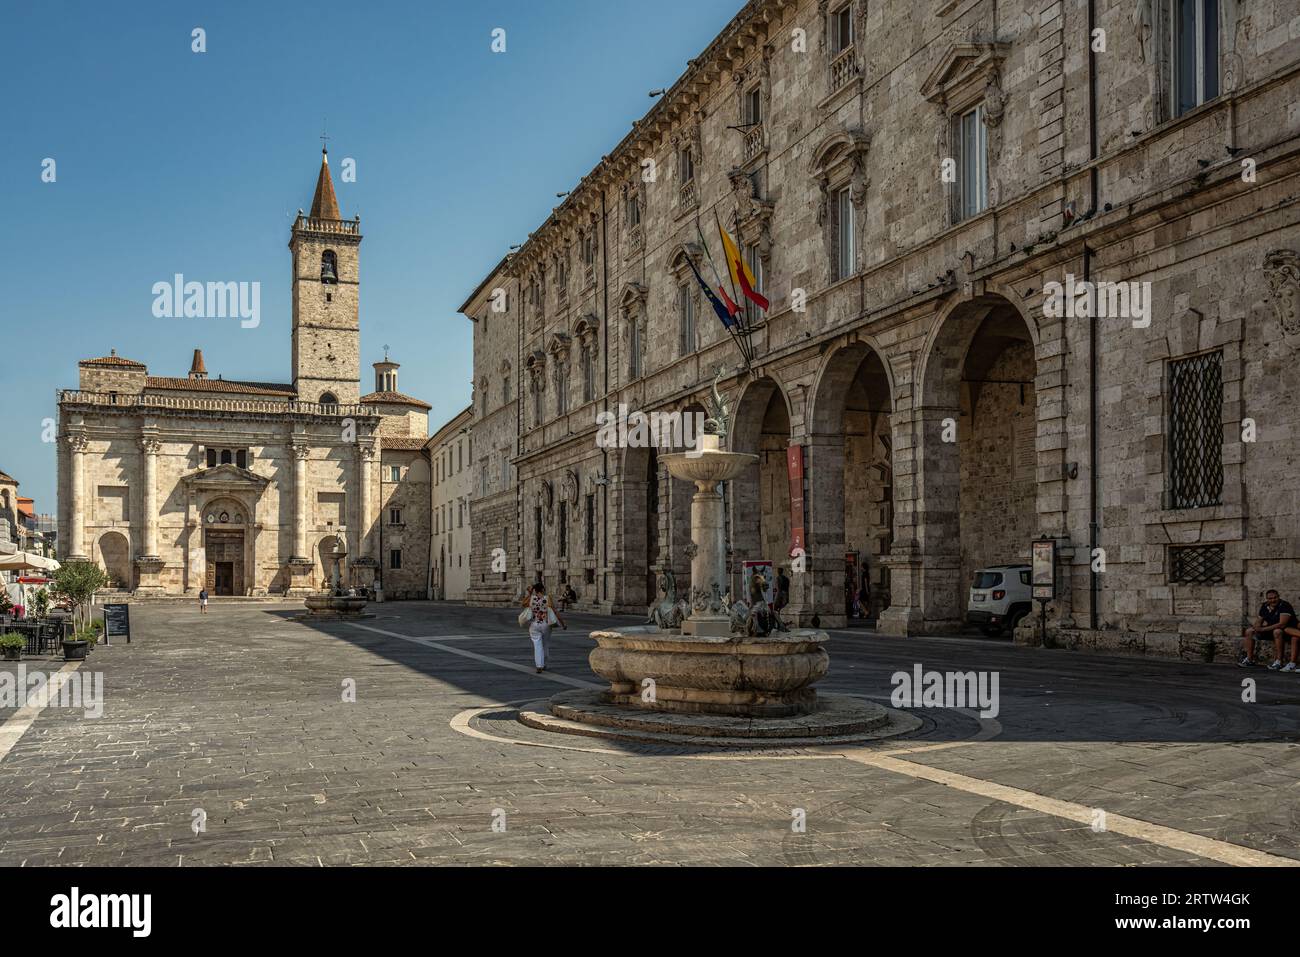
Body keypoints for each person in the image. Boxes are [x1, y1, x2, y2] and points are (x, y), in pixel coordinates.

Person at [1241, 589, 1296, 669]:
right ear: (1267, 599)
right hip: (1270, 630)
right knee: (1249, 631)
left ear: (1278, 597)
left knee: (1277, 631)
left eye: (1275, 598)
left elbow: (1282, 624)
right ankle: (1249, 659)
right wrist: (1256, 627)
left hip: (1285, 631)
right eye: (1270, 598)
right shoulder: (1265, 605)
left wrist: (1263, 629)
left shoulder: (1284, 605)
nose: (1273, 600)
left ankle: (1279, 662)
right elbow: (1259, 620)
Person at [521, 581, 566, 673]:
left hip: (534, 624)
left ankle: (539, 665)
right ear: (542, 589)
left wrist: (529, 593)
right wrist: (562, 623)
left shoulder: (532, 598)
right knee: (545, 645)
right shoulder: (547, 598)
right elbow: (555, 611)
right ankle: (544, 664)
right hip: (545, 624)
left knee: (537, 645)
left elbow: (523, 604)